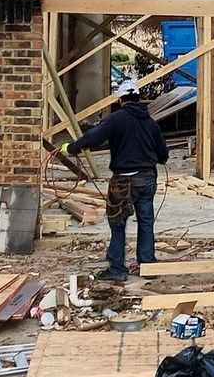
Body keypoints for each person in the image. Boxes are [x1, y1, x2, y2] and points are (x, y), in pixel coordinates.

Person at [56, 79, 169, 281]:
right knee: (146, 221)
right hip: (148, 178)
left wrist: (71, 148)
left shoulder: (117, 119)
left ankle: (117, 268)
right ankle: (147, 265)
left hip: (123, 181)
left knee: (118, 222)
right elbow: (163, 154)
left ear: (122, 99)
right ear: (138, 98)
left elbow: (94, 136)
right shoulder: (150, 122)